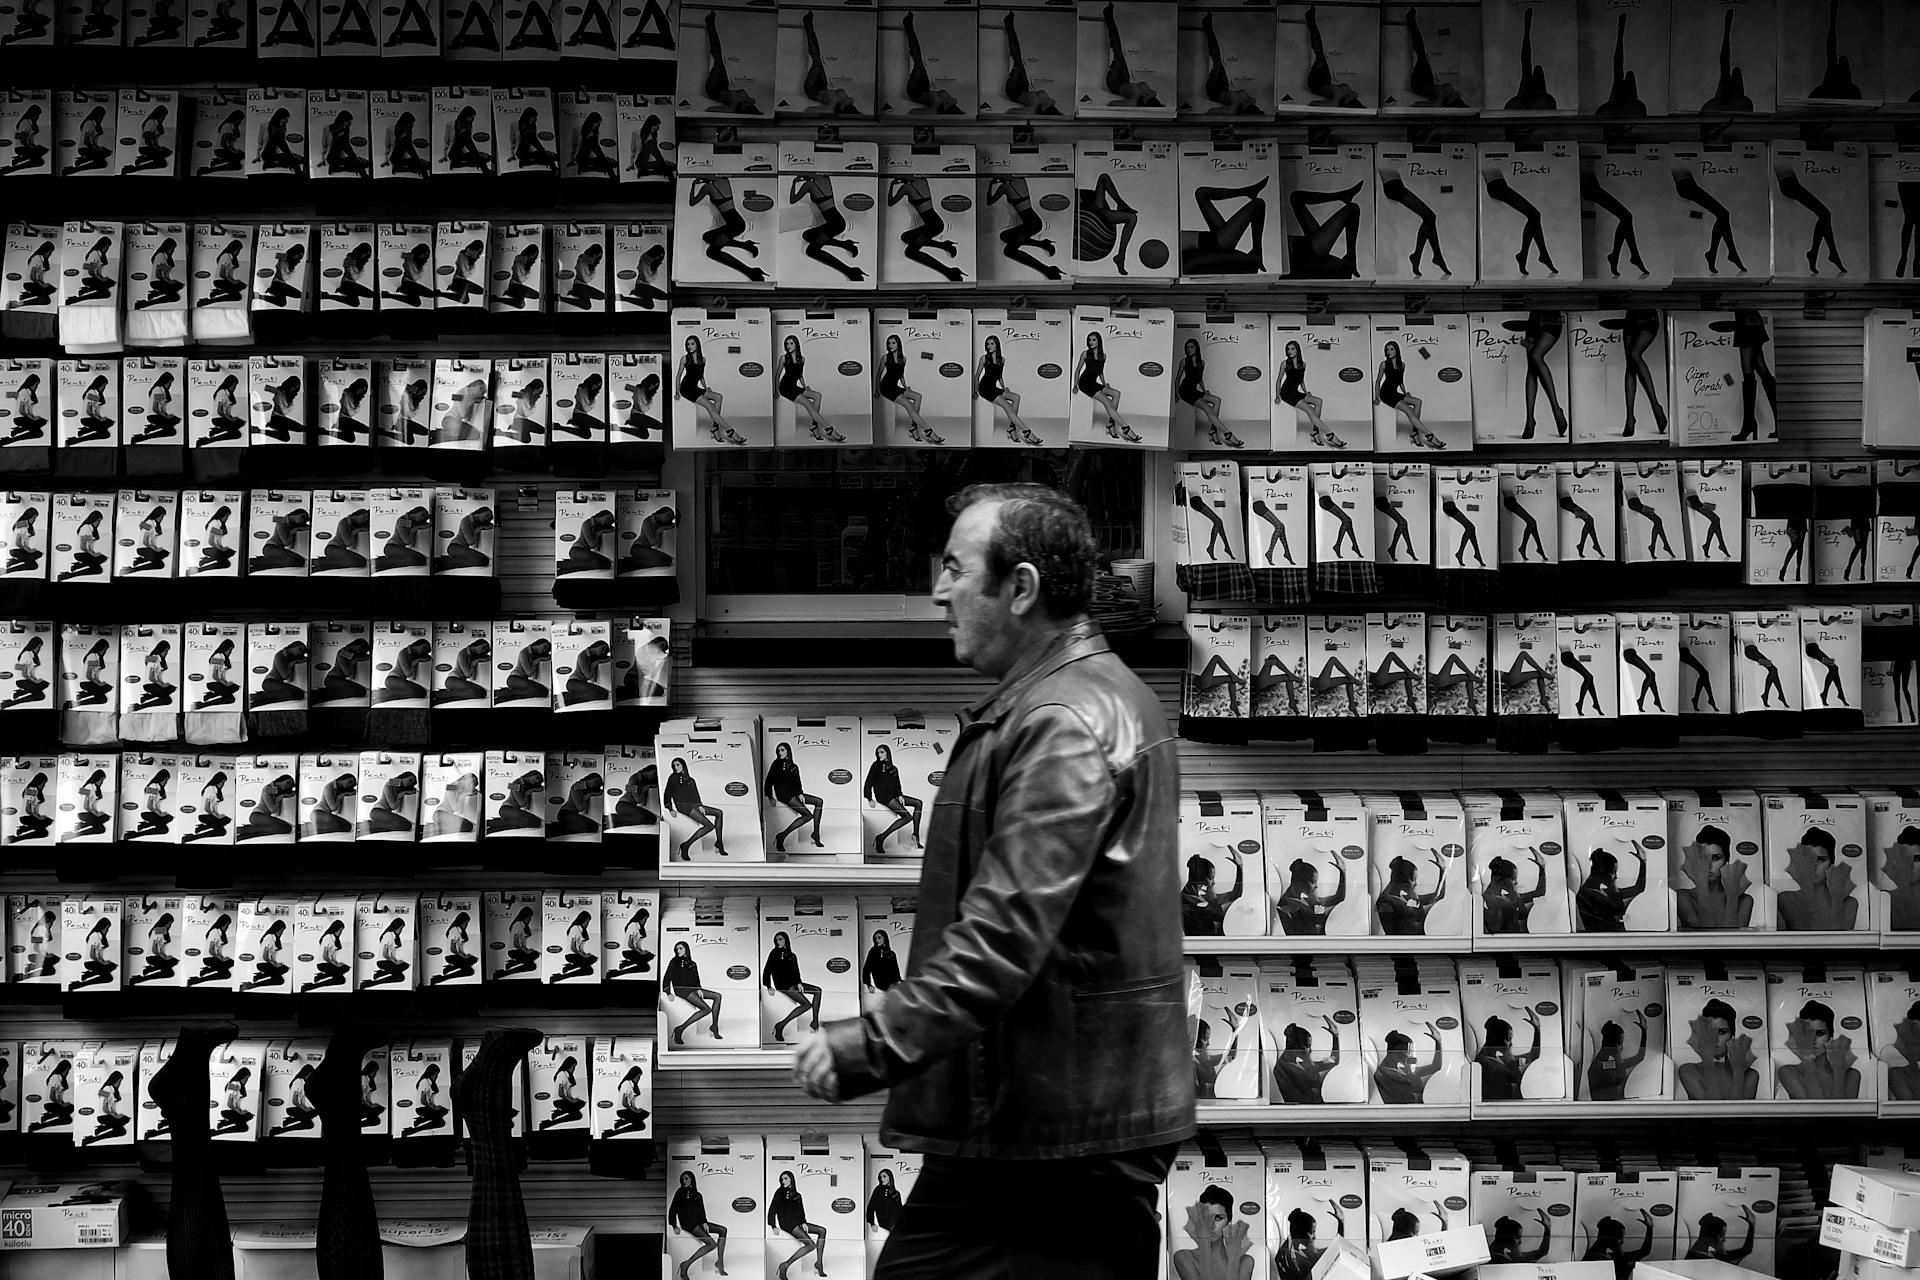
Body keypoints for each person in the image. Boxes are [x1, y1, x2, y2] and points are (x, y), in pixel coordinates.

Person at [794, 483, 1193, 1280]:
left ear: (1020, 589)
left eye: (953, 568)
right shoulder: (1060, 703)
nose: (937, 591)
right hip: (1039, 1124)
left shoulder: (1063, 723)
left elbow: (1004, 933)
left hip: (1059, 1141)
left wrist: (870, 1043)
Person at [1677, 998, 1759, 1100]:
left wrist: (1738, 1071)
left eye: (1722, 1032)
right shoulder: (1689, 1070)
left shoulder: (1750, 1075)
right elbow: (1711, 1109)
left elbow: (1738, 1113)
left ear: (1732, 1035)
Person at [1777, 828, 1858, 930]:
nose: (1813, 866)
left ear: (1831, 863)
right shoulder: (1786, 900)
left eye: (1821, 860)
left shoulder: (1848, 904)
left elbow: (1840, 942)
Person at [1375, 341, 1445, 451]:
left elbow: (1400, 381)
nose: (1389, 352)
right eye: (1387, 349)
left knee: (1418, 402)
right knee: (1409, 411)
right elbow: (1378, 381)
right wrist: (1377, 396)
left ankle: (1414, 433)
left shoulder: (1402, 365)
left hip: (1395, 393)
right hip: (1386, 394)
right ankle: (1429, 436)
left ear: (1397, 350)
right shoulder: (1384, 364)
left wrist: (1405, 392)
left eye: (1391, 349)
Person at [977, 334, 1043, 445]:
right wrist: (975, 391)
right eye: (987, 344)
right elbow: (977, 375)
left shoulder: (1002, 360)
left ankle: (1012, 428)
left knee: (1016, 397)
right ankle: (1026, 432)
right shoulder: (984, 358)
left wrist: (1004, 388)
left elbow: (999, 376)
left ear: (997, 345)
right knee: (1007, 406)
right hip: (984, 388)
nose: (989, 346)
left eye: (992, 344)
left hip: (994, 388)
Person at [668, 1170, 731, 1279]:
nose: (684, 1181)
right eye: (682, 1179)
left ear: (692, 1179)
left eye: (686, 1178)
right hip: (688, 1224)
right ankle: (686, 1264)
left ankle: (719, 1262)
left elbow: (701, 1211)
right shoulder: (680, 1192)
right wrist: (674, 1225)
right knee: (711, 1244)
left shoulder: (697, 1194)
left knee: (723, 1230)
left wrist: (704, 1222)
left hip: (698, 1222)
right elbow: (673, 1209)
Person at [862, 744, 923, 856]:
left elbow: (897, 785)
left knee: (918, 803)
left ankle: (915, 836)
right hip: (884, 797)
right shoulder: (875, 766)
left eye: (882, 752)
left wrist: (900, 795)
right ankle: (881, 837)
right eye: (878, 752)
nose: (879, 754)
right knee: (907, 817)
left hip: (894, 795)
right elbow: (868, 782)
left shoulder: (894, 768)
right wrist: (869, 798)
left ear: (887, 753)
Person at [1576, 846, 1648, 932]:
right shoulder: (1585, 894)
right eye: (1613, 872)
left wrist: (1643, 862)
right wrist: (1612, 885)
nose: (1616, 877)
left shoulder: (1604, 891)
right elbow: (1618, 908)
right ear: (1602, 871)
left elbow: (1638, 889)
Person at [1270, 1018, 1341, 1104]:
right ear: (1297, 1048)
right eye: (1308, 1047)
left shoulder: (1303, 1064)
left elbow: (1333, 1061)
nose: (1311, 1050)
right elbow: (1297, 1099)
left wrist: (1335, 1037)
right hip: (1307, 1113)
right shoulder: (1281, 1069)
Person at [1474, 1009, 1542, 1100]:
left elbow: (1532, 1056)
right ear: (1500, 1040)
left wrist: (1537, 1029)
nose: (1511, 1044)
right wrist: (1508, 1053)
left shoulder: (1500, 1059)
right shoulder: (1485, 1063)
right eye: (1509, 1039)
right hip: (1497, 1109)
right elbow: (1515, 1077)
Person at [1375, 852, 1448, 935]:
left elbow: (1437, 896)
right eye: (1414, 879)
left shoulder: (1404, 898)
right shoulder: (1387, 901)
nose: (1416, 884)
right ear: (1404, 880)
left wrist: (1443, 871)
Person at [1275, 857, 1346, 935]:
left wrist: (1343, 872)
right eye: (1313, 882)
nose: (1316, 886)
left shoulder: (1306, 901)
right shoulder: (1284, 907)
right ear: (1301, 882)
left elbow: (1339, 898)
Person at [1372, 1025, 1444, 1103]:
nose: (1410, 1055)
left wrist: (1438, 1042)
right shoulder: (1383, 1074)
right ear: (1395, 1053)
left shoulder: (1402, 1070)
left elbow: (1436, 1066)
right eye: (1408, 1052)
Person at [1585, 1011, 1648, 1101]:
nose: (1622, 1048)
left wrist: (1644, 1031)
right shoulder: (1602, 1065)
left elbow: (1639, 1057)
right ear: (1612, 1044)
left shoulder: (1609, 1064)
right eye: (1620, 1043)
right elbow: (1617, 1067)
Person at [1181, 849, 1244, 937]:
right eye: (1211, 878)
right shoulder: (1196, 903)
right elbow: (1224, 907)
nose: (1214, 882)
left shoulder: (1198, 896)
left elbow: (1234, 896)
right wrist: (1240, 868)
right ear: (1201, 882)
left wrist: (1240, 867)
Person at [1482, 851, 1547, 934]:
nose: (1517, 882)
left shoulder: (1511, 898)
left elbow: (1540, 892)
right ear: (1504, 881)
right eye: (1514, 879)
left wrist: (1542, 868)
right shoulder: (1493, 900)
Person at [1687, 1209, 1757, 1263]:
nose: (1724, 1239)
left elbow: (1745, 1250)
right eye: (1722, 1236)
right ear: (1713, 1237)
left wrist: (1751, 1225)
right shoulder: (1704, 1260)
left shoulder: (1705, 1255)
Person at [866, 1168, 904, 1235]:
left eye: (884, 1176)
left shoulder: (896, 1193)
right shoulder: (878, 1190)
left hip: (896, 1222)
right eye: (880, 1177)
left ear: (890, 1177)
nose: (882, 1179)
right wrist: (872, 1223)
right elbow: (871, 1206)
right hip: (884, 1222)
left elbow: (900, 1209)